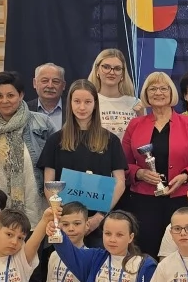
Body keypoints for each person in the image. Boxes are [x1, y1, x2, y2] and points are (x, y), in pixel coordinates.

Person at [122, 72, 188, 258]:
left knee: (179, 252)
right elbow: (123, 164)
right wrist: (139, 173)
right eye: (152, 89)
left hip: (180, 199)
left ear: (172, 93)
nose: (158, 92)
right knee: (146, 253)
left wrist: (185, 176)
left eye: (163, 88)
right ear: (146, 94)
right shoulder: (135, 125)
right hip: (144, 202)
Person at [39, 79, 127, 242]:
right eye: (77, 101)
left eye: (87, 102)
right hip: (64, 223)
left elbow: (120, 182)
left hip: (98, 223)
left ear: (95, 104)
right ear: (69, 103)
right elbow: (48, 183)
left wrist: (99, 217)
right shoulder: (55, 140)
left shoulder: (111, 140)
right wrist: (63, 219)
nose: (82, 107)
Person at [0, 72, 52, 223]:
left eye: (11, 95)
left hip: (38, 212)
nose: (5, 101)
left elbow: (56, 167)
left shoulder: (43, 124)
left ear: (21, 95)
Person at [87, 49, 141, 139]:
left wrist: (142, 115)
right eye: (106, 67)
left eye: (117, 68)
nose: (111, 72)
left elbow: (143, 138)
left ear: (123, 73)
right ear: (97, 71)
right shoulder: (89, 101)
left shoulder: (135, 103)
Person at [30, 63, 66, 132]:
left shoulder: (72, 109)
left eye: (55, 81)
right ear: (35, 83)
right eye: (45, 81)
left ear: (63, 85)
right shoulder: (25, 110)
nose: (50, 86)